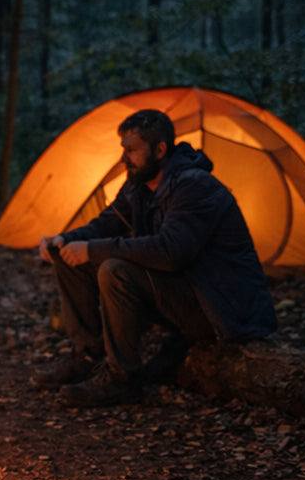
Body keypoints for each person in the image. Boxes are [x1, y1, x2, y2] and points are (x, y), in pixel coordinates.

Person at [34, 108, 276, 406]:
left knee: (114, 269)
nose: (123, 158)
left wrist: (93, 249)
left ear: (160, 150)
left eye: (132, 150)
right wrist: (66, 240)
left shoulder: (194, 186)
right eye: (123, 149)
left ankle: (122, 379)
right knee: (68, 258)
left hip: (219, 308)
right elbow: (108, 222)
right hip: (184, 292)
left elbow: (171, 252)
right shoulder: (138, 185)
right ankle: (87, 357)